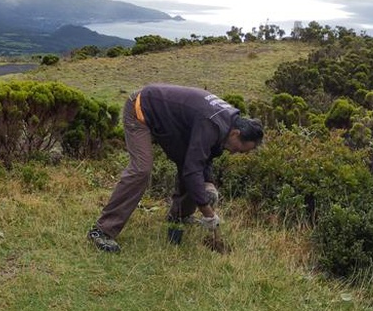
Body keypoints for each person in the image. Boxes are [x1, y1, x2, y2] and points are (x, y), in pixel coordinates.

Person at [87, 84, 263, 252]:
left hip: (167, 120)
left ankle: (180, 216)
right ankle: (102, 231)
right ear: (236, 134)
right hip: (140, 109)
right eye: (239, 150)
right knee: (141, 169)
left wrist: (208, 185)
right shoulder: (213, 123)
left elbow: (203, 157)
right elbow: (193, 170)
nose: (234, 153)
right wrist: (208, 212)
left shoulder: (227, 124)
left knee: (192, 168)